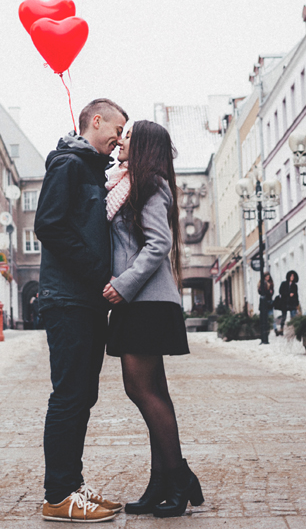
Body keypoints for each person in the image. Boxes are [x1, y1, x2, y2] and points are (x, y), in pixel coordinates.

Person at [103, 120, 203, 518]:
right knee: (153, 392)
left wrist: (123, 284)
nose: (120, 141)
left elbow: (158, 243)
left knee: (142, 391)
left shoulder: (152, 184)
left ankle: (178, 478)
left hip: (146, 300)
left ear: (143, 145)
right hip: (139, 301)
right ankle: (163, 480)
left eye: (127, 137)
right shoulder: (124, 184)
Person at [35, 98, 128, 523]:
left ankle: (72, 486)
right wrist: (98, 274)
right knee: (70, 396)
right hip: (69, 298)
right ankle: (58, 495)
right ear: (96, 120)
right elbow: (49, 225)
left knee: (82, 395)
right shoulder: (69, 165)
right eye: (117, 128)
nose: (120, 139)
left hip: (86, 299)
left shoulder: (92, 169)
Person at [275, 270, 300, 336]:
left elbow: (296, 295)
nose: (292, 277)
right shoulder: (284, 284)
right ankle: (281, 329)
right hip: (285, 303)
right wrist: (289, 294)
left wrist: (297, 304)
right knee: (284, 317)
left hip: (292, 303)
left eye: (293, 276)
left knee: (293, 317)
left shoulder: (295, 285)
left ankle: (294, 330)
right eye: (291, 276)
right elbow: (281, 292)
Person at [257, 272, 275, 345]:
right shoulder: (262, 284)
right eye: (266, 277)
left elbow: (271, 292)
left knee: (271, 315)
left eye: (268, 277)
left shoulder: (270, 284)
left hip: (269, 302)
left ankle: (274, 329)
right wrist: (268, 291)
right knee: (264, 317)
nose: (268, 278)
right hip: (264, 303)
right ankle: (266, 332)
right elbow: (261, 292)